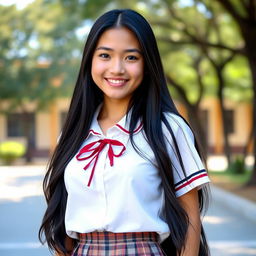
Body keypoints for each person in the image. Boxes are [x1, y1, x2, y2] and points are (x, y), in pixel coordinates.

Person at [39, 9, 210, 256]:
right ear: (90, 60)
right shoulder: (72, 133)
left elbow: (190, 218)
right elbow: (62, 218)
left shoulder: (169, 129)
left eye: (131, 58)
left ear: (147, 63)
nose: (117, 68)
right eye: (105, 55)